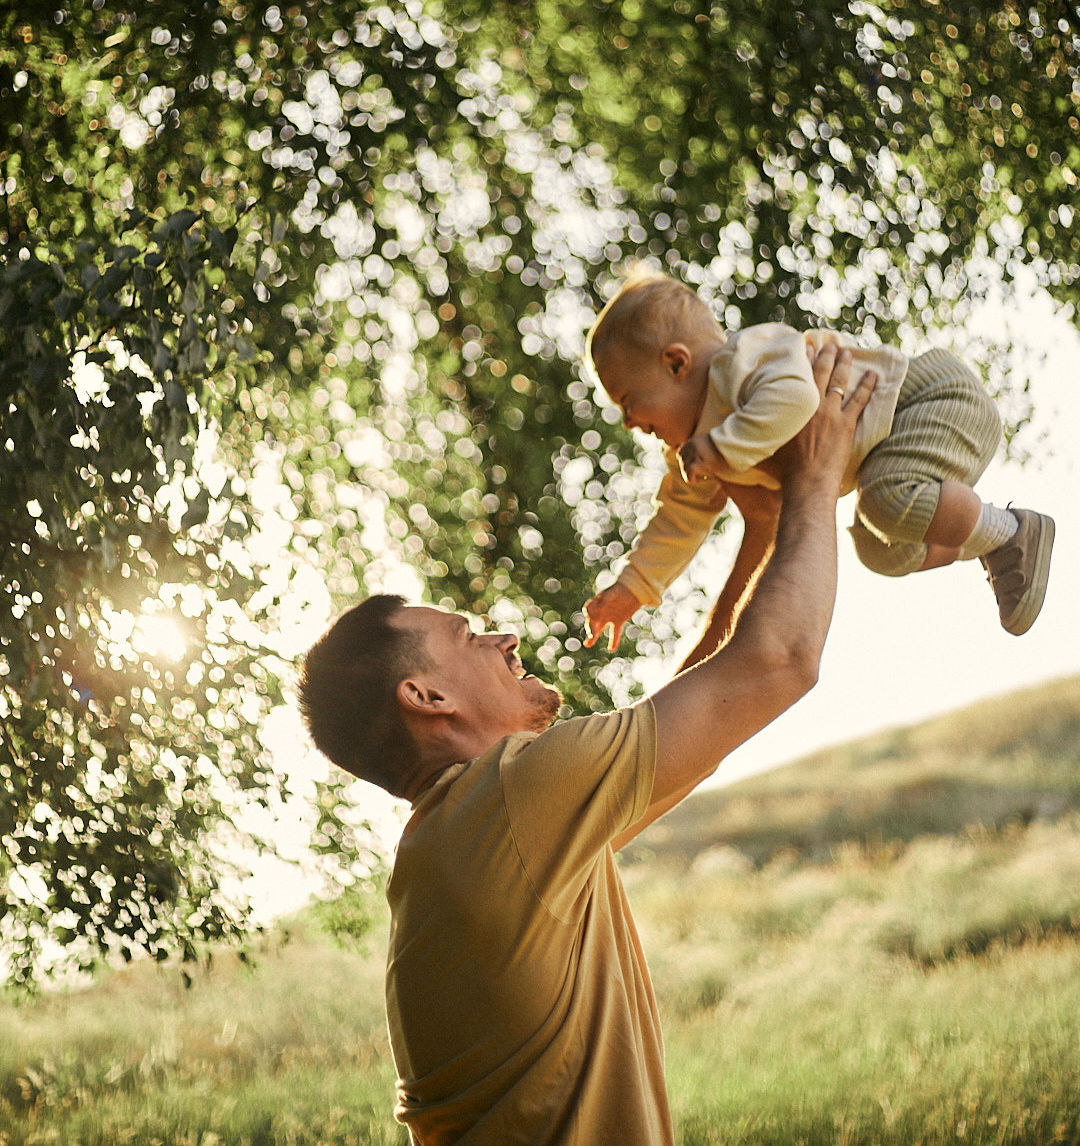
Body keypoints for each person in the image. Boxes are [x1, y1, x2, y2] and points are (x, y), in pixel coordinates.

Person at [298, 346, 875, 1146]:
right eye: (467, 636)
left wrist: (762, 536)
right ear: (426, 697)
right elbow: (779, 662)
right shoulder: (511, 796)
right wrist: (817, 472)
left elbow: (698, 722)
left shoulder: (457, 847)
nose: (501, 637)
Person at [583, 269, 1055, 665]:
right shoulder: (693, 452)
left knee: (885, 500)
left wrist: (722, 447)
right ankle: (990, 542)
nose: (628, 422)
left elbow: (796, 397)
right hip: (893, 449)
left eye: (627, 401)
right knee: (880, 549)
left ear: (676, 363)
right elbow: (676, 523)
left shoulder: (742, 360)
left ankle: (1008, 532)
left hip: (928, 399)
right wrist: (632, 587)